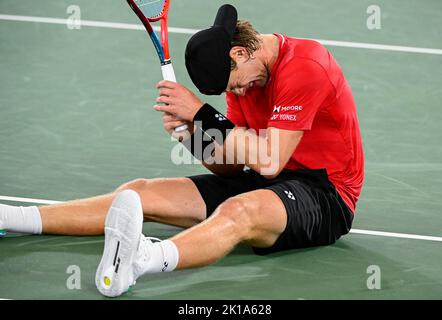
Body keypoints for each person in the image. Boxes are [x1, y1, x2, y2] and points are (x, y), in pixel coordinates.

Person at [0, 4, 364, 297]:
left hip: (325, 194)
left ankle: (144, 260)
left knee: (239, 210)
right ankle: (13, 218)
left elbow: (269, 161)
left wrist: (203, 114)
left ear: (240, 52)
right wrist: (194, 134)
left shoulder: (306, 65)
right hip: (269, 180)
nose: (237, 93)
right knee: (139, 192)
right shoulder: (241, 79)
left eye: (235, 86)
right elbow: (232, 169)